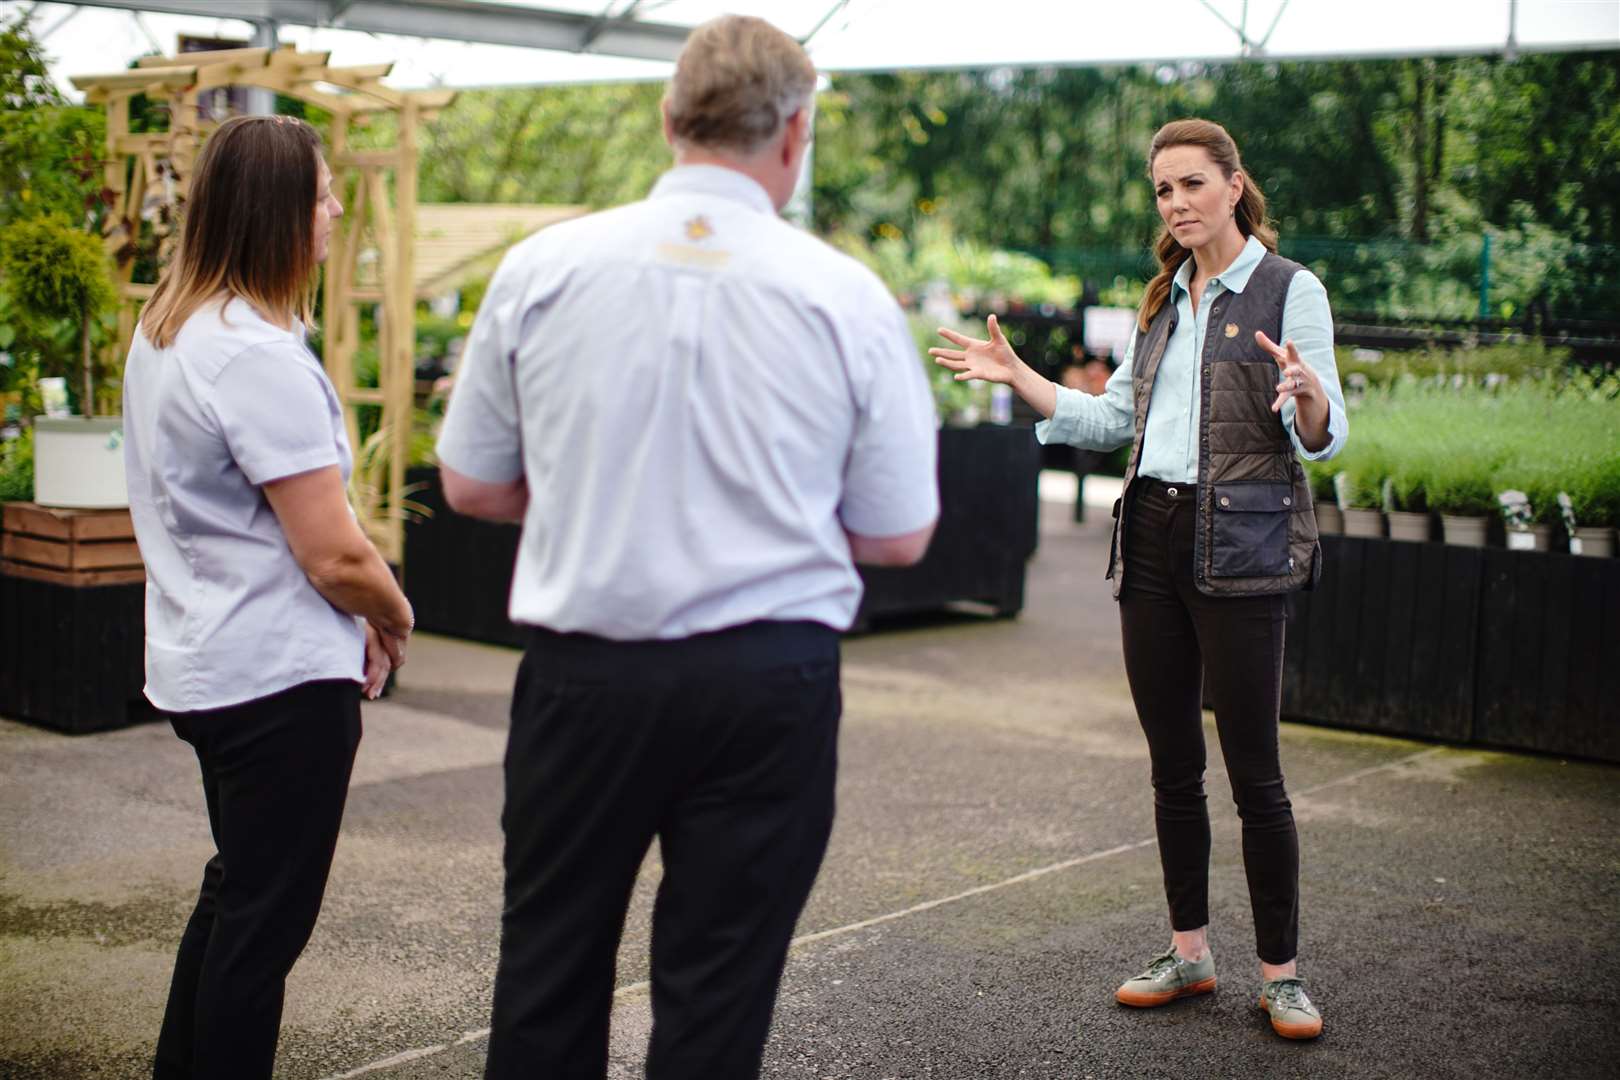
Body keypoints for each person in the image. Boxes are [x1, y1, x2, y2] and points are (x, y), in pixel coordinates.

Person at [434, 15, 939, 1079]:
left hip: (585, 679)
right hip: (767, 688)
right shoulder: (844, 295)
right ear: (794, 137)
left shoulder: (543, 268)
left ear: (669, 120)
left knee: (546, 977)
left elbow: (472, 484)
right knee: (717, 1003)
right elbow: (898, 536)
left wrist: (597, 499)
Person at [930, 118, 1346, 1041]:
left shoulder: (1289, 289)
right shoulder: (1162, 300)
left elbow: (1326, 428)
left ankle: (1280, 976)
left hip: (1242, 545)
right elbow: (1112, 417)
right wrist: (1020, 376)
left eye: (1193, 184)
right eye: (1164, 190)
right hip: (1153, 537)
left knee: (1258, 776)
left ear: (1235, 186)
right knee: (1172, 769)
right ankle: (1189, 953)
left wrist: (1305, 394)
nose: (1178, 203)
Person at [122, 114, 415, 1079]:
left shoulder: (170, 329)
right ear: (276, 213)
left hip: (210, 665)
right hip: (276, 684)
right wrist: (394, 611)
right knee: (262, 928)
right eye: (323, 194)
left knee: (236, 894)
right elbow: (333, 554)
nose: (335, 211)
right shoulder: (252, 354)